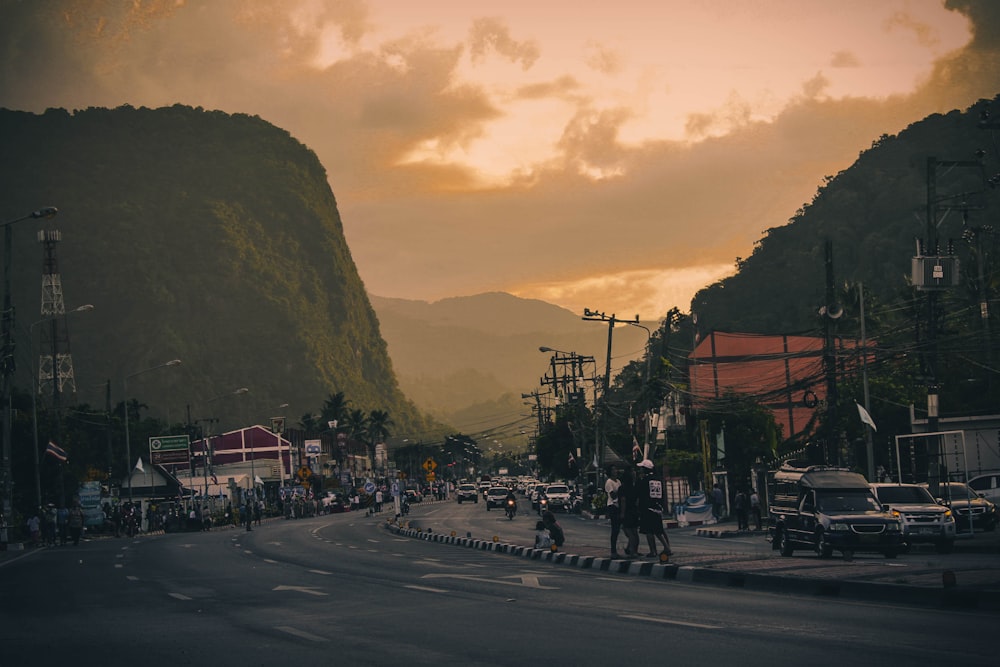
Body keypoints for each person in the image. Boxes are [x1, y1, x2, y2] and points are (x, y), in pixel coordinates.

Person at [636, 459, 672, 558]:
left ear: (645, 469)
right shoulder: (658, 479)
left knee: (649, 531)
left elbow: (639, 493)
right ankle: (667, 548)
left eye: (641, 469)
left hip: (647, 508)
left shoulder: (645, 481)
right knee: (658, 530)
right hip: (657, 508)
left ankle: (653, 551)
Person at [620, 465, 641, 558]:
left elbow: (623, 500)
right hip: (634, 511)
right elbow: (637, 500)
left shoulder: (622, 488)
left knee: (629, 533)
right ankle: (633, 550)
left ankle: (632, 551)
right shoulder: (635, 487)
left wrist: (622, 513)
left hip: (627, 512)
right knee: (635, 532)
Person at [605, 465, 623, 557]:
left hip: (619, 505)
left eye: (615, 469)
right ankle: (613, 551)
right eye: (613, 470)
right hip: (612, 506)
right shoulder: (609, 482)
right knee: (615, 529)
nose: (615, 471)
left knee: (620, 528)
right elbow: (613, 495)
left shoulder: (618, 481)